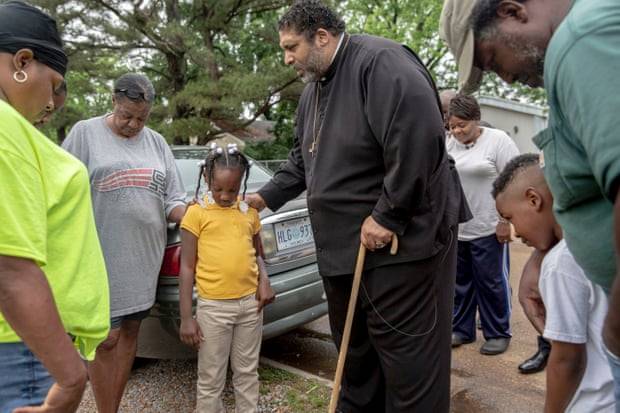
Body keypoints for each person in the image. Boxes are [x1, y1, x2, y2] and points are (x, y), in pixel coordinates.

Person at [245, 1, 469, 411]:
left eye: (292, 47)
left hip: (401, 247)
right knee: (357, 362)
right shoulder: (312, 91)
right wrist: (263, 198)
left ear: (323, 37)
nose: (286, 58)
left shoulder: (381, 63)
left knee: (408, 367)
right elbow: (302, 161)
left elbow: (419, 139)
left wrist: (388, 215)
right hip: (344, 253)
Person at [440, 0, 620, 401]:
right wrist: (544, 254)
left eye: (492, 59)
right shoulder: (571, 54)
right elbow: (581, 188)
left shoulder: (580, 44)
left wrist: (615, 327)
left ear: (512, 11)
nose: (504, 79)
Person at [0, 2, 110, 412]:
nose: (53, 101)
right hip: (25, 353)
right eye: (53, 83)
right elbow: (9, 268)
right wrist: (69, 377)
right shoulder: (3, 124)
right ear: (22, 62)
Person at [61, 73, 187, 413]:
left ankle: (112, 408)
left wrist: (202, 219)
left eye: (141, 118)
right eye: (126, 116)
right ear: (114, 102)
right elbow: (61, 190)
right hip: (100, 259)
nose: (133, 124)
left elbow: (173, 200)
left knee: (131, 334)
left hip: (143, 262)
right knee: (106, 340)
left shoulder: (157, 142)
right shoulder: (85, 134)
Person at [493, 153, 615, 412]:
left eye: (510, 217)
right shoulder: (599, 238)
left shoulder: (560, 264)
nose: (516, 232)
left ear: (533, 199)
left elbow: (567, 359)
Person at [178, 143, 275, 412]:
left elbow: (257, 254)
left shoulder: (248, 213)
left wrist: (264, 281)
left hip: (250, 306)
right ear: (207, 179)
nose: (224, 196)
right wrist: (187, 317)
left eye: (232, 190)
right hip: (214, 309)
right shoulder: (196, 214)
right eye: (218, 189)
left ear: (242, 182)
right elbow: (186, 268)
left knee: (247, 372)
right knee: (211, 378)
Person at [446, 94, 518, 354]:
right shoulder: (449, 144)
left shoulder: (498, 141)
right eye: (452, 126)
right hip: (459, 228)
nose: (456, 130)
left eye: (462, 124)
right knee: (460, 283)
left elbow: (513, 181)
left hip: (489, 227)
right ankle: (462, 330)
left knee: (491, 282)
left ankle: (498, 332)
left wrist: (504, 221)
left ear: (476, 119)